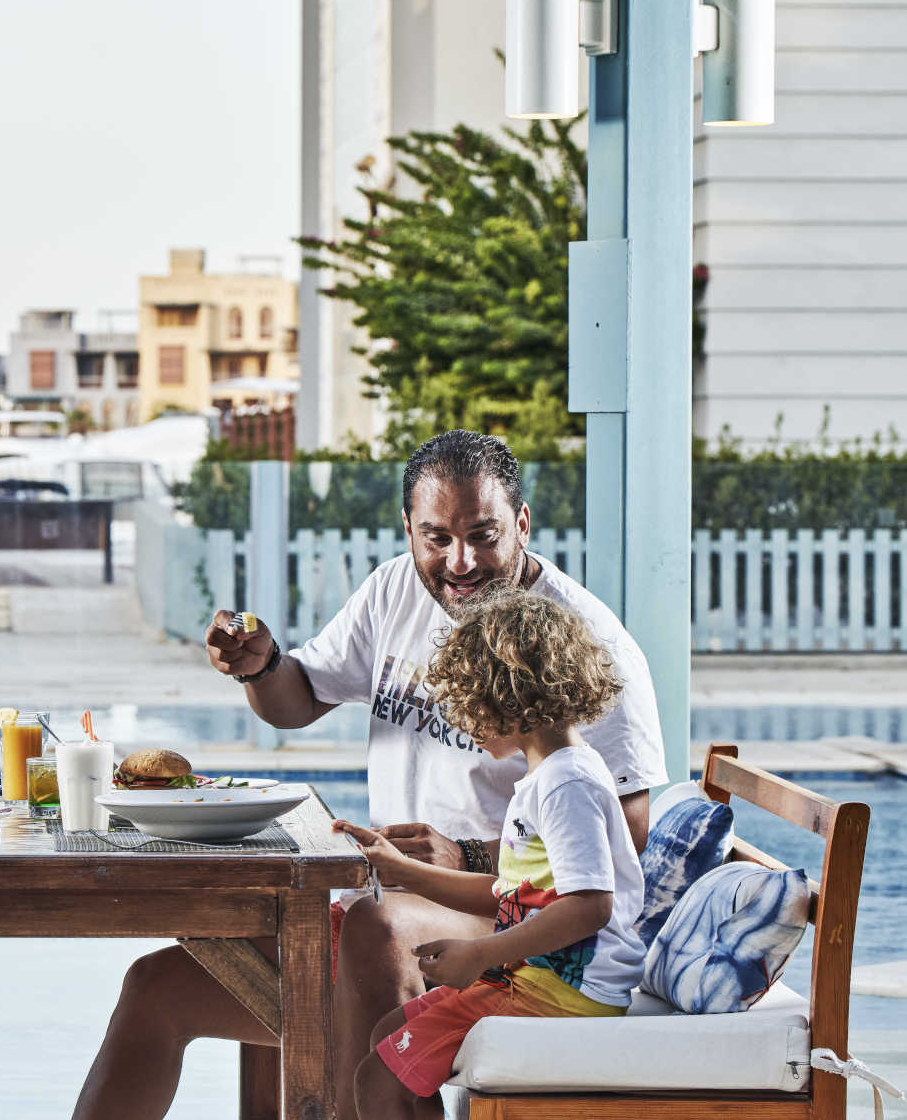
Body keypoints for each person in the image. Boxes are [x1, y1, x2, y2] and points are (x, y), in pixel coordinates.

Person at [73, 430, 666, 1120]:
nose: (461, 561)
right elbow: (296, 702)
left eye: (483, 534)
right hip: (392, 895)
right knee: (155, 988)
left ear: (522, 524)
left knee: (374, 927)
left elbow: (627, 841)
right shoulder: (393, 589)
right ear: (409, 530)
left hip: (493, 922)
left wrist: (462, 857)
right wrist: (262, 667)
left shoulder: (576, 644)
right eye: (436, 537)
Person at [334, 588, 645, 1118]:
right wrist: (400, 866)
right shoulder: (550, 776)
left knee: (379, 1080)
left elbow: (592, 905)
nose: (464, 723)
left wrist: (481, 954)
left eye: (468, 706)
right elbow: (509, 895)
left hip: (561, 994)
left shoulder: (566, 784)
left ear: (511, 701)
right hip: (535, 977)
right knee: (391, 1032)